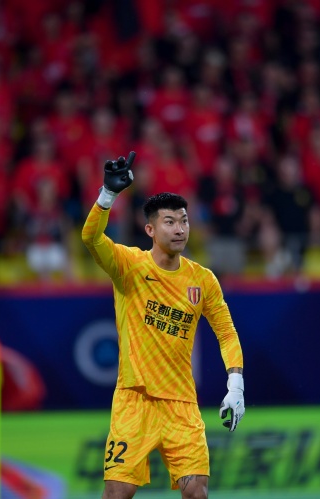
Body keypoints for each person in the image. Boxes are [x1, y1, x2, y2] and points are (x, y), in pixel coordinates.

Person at [81, 152, 245, 498]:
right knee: (118, 492)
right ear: (151, 230)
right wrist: (107, 196)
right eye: (169, 222)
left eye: (184, 221)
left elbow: (226, 332)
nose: (180, 229)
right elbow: (91, 239)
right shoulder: (129, 266)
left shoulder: (203, 279)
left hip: (181, 404)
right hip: (134, 400)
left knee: (196, 492)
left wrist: (236, 386)